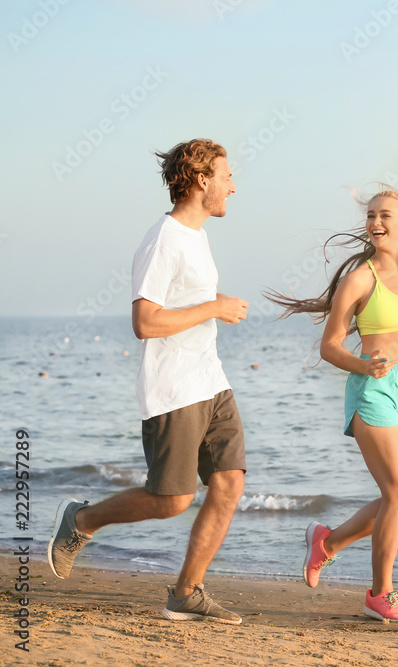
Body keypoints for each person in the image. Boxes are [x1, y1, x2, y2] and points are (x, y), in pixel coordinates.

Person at [47, 139, 249, 625]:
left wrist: (211, 300)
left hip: (211, 382)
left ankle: (186, 592)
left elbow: (184, 299)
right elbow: (146, 322)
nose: (233, 186)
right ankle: (82, 520)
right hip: (174, 388)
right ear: (202, 179)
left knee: (228, 485)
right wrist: (215, 308)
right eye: (226, 176)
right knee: (173, 499)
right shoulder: (163, 238)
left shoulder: (196, 237)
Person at [265, 187, 398, 623]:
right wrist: (365, 368)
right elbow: (329, 347)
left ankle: (327, 543)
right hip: (374, 389)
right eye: (370, 216)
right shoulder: (360, 279)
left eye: (385, 215)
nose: (375, 223)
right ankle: (380, 594)